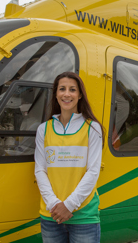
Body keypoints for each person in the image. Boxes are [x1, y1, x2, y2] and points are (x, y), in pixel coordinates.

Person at [34, 72, 104, 243]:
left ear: (80, 95)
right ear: (56, 94)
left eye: (72, 90)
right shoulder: (44, 129)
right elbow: (40, 170)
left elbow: (93, 172)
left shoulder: (92, 128)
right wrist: (54, 205)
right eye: (62, 89)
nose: (67, 94)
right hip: (51, 214)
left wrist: (68, 205)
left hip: (84, 216)